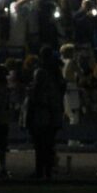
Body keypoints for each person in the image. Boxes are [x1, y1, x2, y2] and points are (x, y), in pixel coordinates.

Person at [25, 46, 64, 180]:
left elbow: (35, 96)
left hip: (41, 114)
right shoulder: (56, 72)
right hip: (53, 113)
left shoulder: (41, 72)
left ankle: (40, 170)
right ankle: (47, 171)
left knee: (40, 145)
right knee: (48, 145)